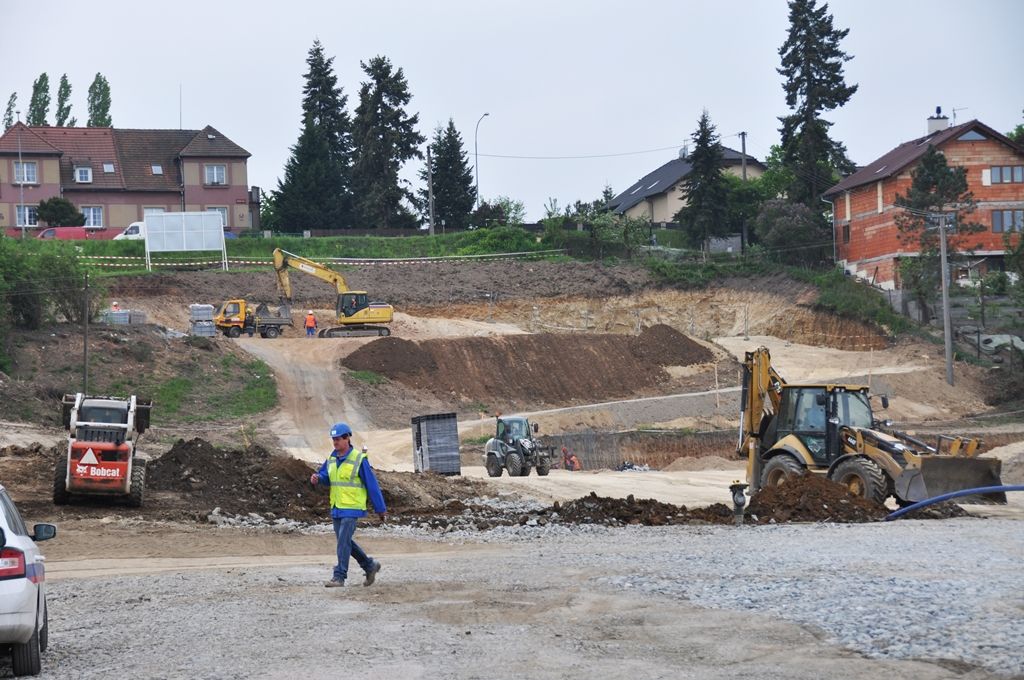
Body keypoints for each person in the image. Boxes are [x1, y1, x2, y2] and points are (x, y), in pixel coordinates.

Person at [309, 422, 386, 588]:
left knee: (343, 541)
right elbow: (325, 476)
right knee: (345, 542)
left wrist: (380, 509)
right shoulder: (331, 458)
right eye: (333, 439)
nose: (335, 442)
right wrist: (318, 478)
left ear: (347, 438)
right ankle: (369, 566)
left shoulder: (359, 459)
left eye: (337, 439)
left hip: (352, 507)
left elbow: (372, 485)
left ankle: (339, 576)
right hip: (337, 507)